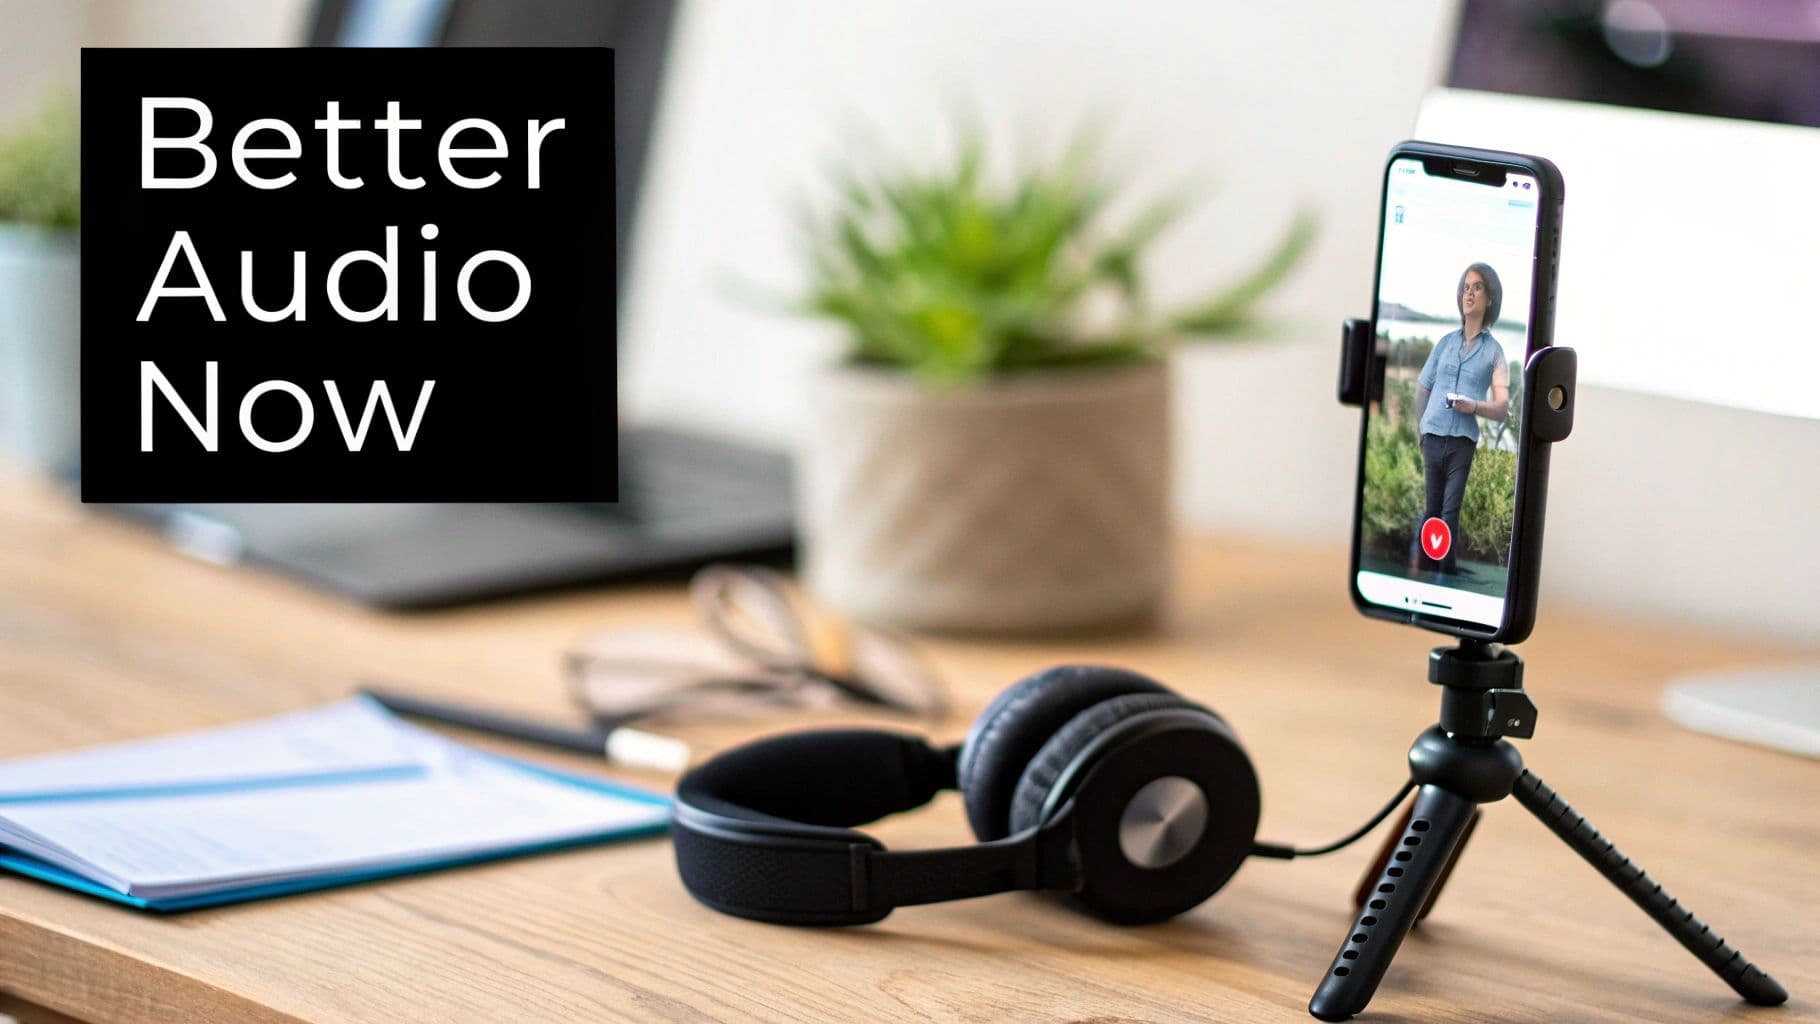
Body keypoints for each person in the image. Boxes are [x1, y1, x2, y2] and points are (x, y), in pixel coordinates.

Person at [1411, 262, 1510, 576]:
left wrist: (1474, 406)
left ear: (1489, 298)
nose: (1469, 294)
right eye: (1466, 288)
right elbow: (1422, 388)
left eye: (1477, 287)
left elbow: (1502, 408)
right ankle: (1424, 571)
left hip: (1461, 443)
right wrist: (1421, 430)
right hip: (1432, 436)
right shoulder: (1444, 343)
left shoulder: (1495, 353)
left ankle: (1446, 572)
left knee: (1449, 512)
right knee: (1431, 509)